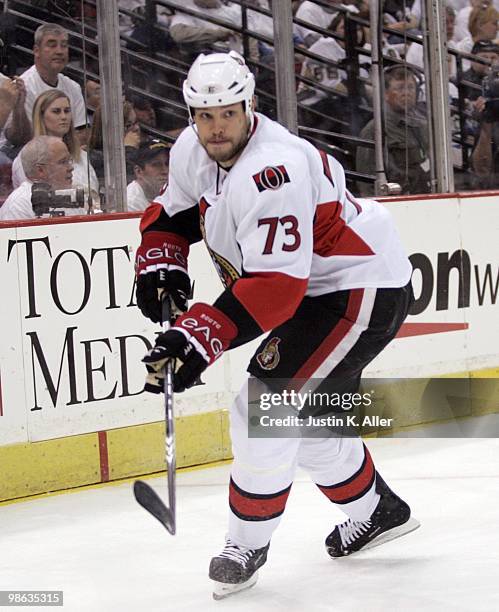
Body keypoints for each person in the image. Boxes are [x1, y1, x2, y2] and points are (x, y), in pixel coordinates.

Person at [134, 51, 418, 599]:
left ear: (250, 107)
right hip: (317, 288)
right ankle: (375, 509)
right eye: (204, 115)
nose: (216, 128)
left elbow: (275, 290)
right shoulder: (192, 149)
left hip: (358, 288)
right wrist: (161, 260)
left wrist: (197, 336)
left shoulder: (274, 169)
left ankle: (246, 543)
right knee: (302, 418)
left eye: (228, 114)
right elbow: (176, 212)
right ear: (191, 114)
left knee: (262, 406)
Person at [10, 90, 99, 203]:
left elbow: (94, 195)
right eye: (56, 111)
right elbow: (33, 198)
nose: (63, 117)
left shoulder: (81, 155)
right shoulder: (26, 158)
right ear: (41, 116)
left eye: (67, 111)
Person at [356, 65, 430, 195]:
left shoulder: (422, 125)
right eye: (400, 88)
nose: (406, 93)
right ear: (385, 94)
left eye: (411, 87)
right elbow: (366, 182)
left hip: (425, 195)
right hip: (395, 201)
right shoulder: (375, 130)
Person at [15, 24, 87, 142]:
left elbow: (81, 131)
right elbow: (25, 139)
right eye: (52, 45)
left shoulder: (74, 87)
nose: (59, 51)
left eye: (64, 46)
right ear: (36, 51)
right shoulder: (24, 87)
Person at [0, 135, 78, 220]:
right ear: (40, 170)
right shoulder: (19, 207)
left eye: (69, 160)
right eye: (63, 162)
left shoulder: (68, 195)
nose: (71, 168)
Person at [127, 140, 169, 211]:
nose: (165, 171)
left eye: (167, 164)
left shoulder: (170, 192)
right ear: (139, 171)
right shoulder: (130, 202)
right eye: (156, 165)